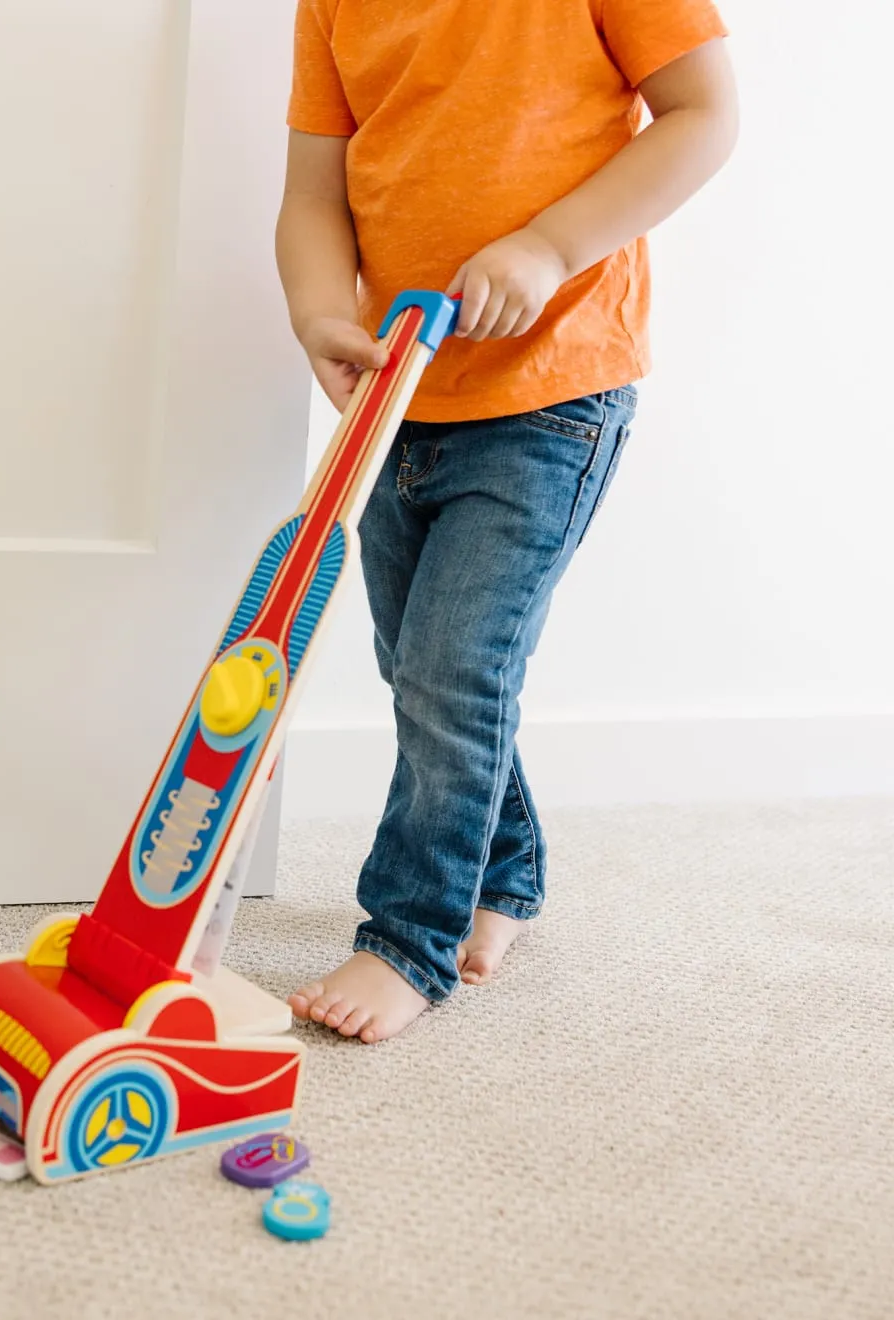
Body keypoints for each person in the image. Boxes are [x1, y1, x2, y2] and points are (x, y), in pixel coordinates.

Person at [278, 0, 738, 1043]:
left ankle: (408, 938)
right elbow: (313, 191)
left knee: (451, 670)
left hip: (552, 400)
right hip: (398, 395)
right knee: (429, 669)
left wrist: (546, 246)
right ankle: (508, 874)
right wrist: (317, 312)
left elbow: (703, 113)